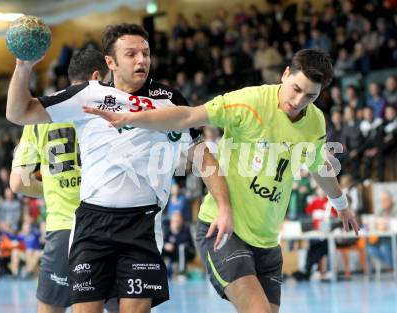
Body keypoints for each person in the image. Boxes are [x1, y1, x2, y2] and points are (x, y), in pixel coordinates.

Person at [85, 48, 360, 313]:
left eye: (310, 96)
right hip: (223, 230)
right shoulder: (249, 103)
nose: (299, 101)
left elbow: (319, 166)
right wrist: (133, 118)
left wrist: (341, 204)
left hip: (267, 242)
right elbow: (189, 115)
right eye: (296, 89)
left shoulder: (315, 123)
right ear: (285, 74)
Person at [6, 23, 232, 313]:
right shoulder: (86, 95)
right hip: (91, 224)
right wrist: (23, 67)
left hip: (142, 224)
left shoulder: (168, 99)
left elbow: (203, 156)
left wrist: (224, 207)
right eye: (132, 54)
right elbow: (18, 113)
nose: (142, 60)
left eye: (146, 53)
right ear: (110, 62)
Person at [9, 48, 110, 313]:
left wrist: (52, 187)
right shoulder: (110, 107)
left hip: (63, 228)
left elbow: (18, 182)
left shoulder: (41, 112)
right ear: (98, 76)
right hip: (109, 226)